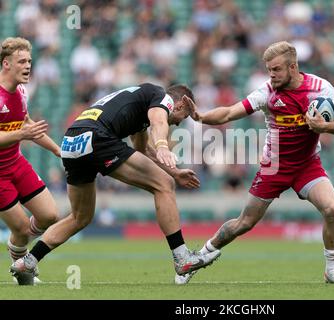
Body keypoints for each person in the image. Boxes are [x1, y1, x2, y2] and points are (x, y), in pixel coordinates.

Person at [176, 41, 334, 285]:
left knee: (331, 209)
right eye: (269, 69)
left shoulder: (319, 88)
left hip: (307, 165)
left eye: (276, 69)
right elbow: (230, 112)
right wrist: (201, 116)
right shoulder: (267, 92)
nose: (271, 74)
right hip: (275, 167)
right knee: (243, 223)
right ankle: (199, 257)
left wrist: (325, 127)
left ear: (293, 67)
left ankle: (331, 270)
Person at [11, 82, 221, 285]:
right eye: (181, 118)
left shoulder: (140, 107)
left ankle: (29, 262)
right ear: (180, 104)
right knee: (164, 185)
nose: (177, 123)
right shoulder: (161, 97)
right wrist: (163, 145)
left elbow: (142, 149)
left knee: (80, 217)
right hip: (96, 136)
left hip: (71, 140)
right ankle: (182, 257)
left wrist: (174, 172)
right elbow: (159, 122)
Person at [0, 37, 60, 284]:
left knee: (50, 215)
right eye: (21, 61)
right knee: (23, 229)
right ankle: (23, 269)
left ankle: (17, 248)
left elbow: (27, 126)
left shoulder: (22, 91)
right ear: (6, 64)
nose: (27, 66)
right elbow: (22, 132)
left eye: (30, 61)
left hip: (16, 162)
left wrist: (57, 150)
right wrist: (20, 134)